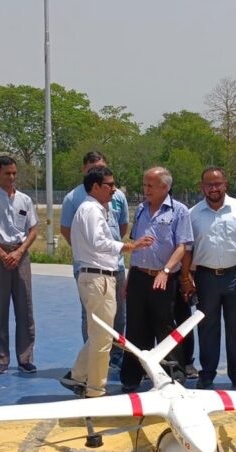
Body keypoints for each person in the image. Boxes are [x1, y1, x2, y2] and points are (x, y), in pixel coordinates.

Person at [61, 167, 153, 397]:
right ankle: (95, 390)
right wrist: (129, 246)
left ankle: (78, 375)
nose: (114, 189)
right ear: (95, 187)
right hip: (98, 277)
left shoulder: (93, 209)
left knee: (100, 334)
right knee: (103, 338)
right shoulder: (91, 210)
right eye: (109, 185)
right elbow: (98, 242)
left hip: (97, 276)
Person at [181, 166, 236, 391]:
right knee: (207, 327)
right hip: (205, 277)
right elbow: (187, 249)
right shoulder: (192, 214)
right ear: (202, 187)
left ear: (225, 184)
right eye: (209, 184)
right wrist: (186, 277)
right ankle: (207, 373)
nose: (213, 188)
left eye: (217, 184)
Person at [120, 167, 194, 391]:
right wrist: (130, 276)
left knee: (165, 326)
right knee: (135, 327)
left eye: (150, 185)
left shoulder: (179, 211)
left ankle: (173, 374)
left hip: (163, 278)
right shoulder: (141, 209)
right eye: (144, 185)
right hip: (139, 276)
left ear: (165, 187)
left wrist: (166, 270)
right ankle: (132, 375)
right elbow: (137, 245)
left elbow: (182, 246)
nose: (146, 189)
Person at [60, 151, 130, 369]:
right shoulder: (76, 199)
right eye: (93, 170)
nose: (99, 173)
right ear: (85, 172)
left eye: (102, 168)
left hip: (114, 265)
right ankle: (94, 363)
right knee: (93, 317)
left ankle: (114, 355)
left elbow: (122, 226)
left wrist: (114, 249)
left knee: (118, 314)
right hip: (90, 268)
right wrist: (90, 253)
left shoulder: (116, 196)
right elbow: (68, 231)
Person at [0, 156, 38, 374]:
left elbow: (33, 230)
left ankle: (25, 357)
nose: (11, 177)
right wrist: (2, 254)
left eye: (14, 173)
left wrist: (20, 252)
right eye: (7, 173)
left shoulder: (25, 200)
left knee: (25, 308)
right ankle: (1, 358)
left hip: (21, 255)